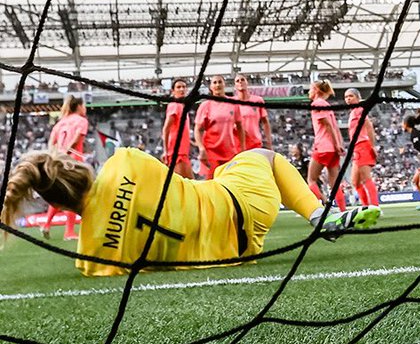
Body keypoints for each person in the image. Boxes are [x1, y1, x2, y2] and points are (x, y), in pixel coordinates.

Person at [2, 143, 381, 277]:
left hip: (237, 251)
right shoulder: (125, 162)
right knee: (259, 156)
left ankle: (320, 215)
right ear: (78, 165)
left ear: (53, 203)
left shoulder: (90, 256)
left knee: (219, 170)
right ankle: (320, 216)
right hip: (248, 205)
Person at [40, 95, 87, 240]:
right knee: (73, 196)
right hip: (73, 162)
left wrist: (54, 157)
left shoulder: (60, 123)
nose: (85, 108)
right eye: (84, 105)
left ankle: (46, 225)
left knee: (60, 195)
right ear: (79, 106)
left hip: (58, 162)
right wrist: (67, 152)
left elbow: (51, 142)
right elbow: (76, 138)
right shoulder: (81, 121)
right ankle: (69, 232)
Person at [308, 79, 347, 212]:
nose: (309, 91)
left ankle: (326, 205)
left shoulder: (317, 103)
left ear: (317, 90)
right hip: (333, 149)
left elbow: (328, 125)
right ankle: (343, 211)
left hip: (323, 147)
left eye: (311, 88)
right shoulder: (326, 105)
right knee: (335, 183)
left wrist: (337, 144)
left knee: (311, 180)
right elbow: (335, 127)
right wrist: (339, 145)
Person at [194, 75, 242, 179]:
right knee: (212, 185)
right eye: (214, 83)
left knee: (230, 183)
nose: (217, 85)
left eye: (220, 82)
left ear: (224, 84)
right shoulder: (205, 105)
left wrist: (242, 148)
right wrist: (201, 148)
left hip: (230, 152)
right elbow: (198, 129)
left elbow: (240, 126)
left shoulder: (233, 103)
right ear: (211, 87)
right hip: (211, 153)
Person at [345, 88, 379, 207]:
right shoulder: (353, 112)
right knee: (355, 181)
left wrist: (372, 146)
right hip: (357, 148)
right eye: (346, 97)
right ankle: (365, 206)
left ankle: (375, 206)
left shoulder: (359, 110)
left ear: (357, 98)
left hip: (363, 145)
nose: (348, 99)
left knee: (366, 178)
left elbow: (369, 127)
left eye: (350, 96)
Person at [161, 78, 194, 179]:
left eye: (184, 87)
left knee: (186, 184)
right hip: (176, 152)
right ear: (173, 91)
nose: (181, 89)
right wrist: (166, 151)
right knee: (186, 184)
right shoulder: (175, 105)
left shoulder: (182, 106)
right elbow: (166, 128)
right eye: (178, 87)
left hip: (182, 152)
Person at [233, 73, 273, 152]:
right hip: (237, 144)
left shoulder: (257, 100)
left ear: (247, 82)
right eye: (237, 81)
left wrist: (269, 142)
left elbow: (265, 122)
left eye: (242, 80)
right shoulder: (231, 103)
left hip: (255, 143)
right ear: (235, 85)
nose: (240, 82)